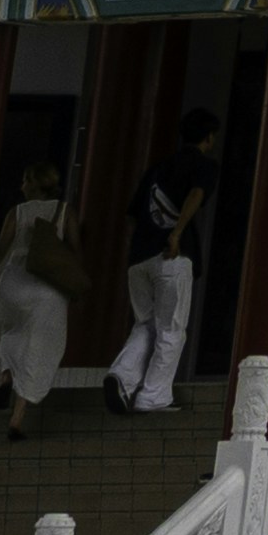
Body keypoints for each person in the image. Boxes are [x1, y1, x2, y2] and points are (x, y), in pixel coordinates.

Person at [109, 107, 220, 412]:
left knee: (146, 324)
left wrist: (142, 244)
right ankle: (153, 396)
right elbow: (196, 195)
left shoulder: (156, 168)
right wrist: (176, 233)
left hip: (139, 259)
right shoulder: (204, 165)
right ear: (209, 138)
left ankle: (121, 376)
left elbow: (132, 215)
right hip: (172, 257)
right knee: (171, 329)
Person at [0, 163, 87, 438]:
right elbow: (76, 251)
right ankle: (16, 420)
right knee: (39, 350)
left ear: (34, 184)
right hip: (47, 289)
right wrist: (77, 287)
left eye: (25, 180)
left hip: (13, 283)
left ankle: (6, 377)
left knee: (12, 332)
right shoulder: (65, 211)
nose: (21, 185)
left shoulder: (17, 212)